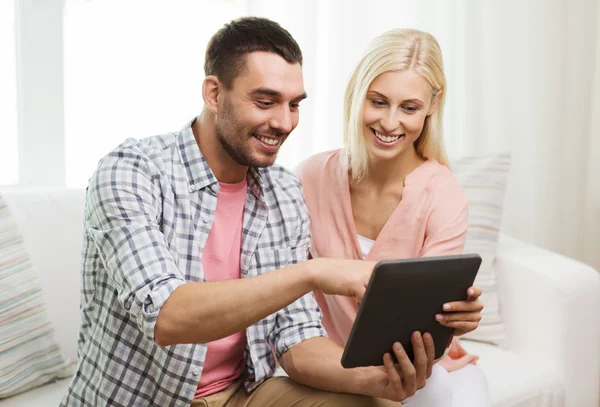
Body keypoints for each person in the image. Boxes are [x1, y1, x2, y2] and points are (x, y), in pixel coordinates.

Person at [60, 17, 441, 407]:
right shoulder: (131, 171)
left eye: (294, 105)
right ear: (213, 93)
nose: (284, 122)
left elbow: (296, 338)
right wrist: (312, 272)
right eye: (265, 102)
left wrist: (374, 379)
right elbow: (167, 317)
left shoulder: (284, 191)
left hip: (241, 396)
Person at [296, 28, 490, 406]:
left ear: (433, 105)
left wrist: (455, 314)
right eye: (378, 102)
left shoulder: (443, 193)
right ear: (357, 95)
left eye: (409, 108)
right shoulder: (309, 178)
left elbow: (425, 325)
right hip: (332, 365)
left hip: (424, 368)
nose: (389, 122)